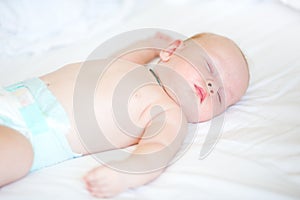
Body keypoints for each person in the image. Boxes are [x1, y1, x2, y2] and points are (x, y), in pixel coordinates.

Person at [0, 32, 249, 198]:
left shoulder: (168, 112)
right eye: (209, 68)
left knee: (15, 155)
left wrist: (124, 175)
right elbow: (119, 57)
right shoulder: (131, 67)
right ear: (172, 51)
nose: (211, 85)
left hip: (34, 135)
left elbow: (157, 150)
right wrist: (153, 42)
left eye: (221, 97)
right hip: (11, 96)